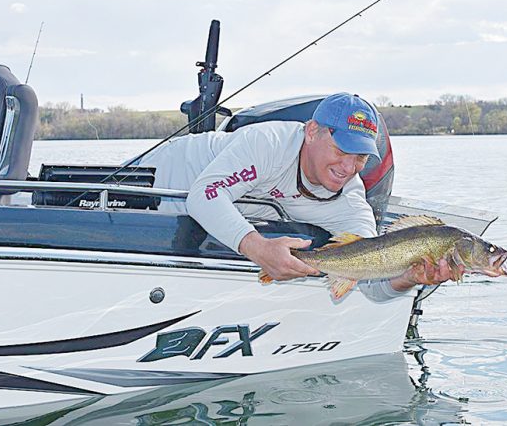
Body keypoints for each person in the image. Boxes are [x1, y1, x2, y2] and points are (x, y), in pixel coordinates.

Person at [138, 92, 462, 297]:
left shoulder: (350, 202)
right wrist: (259, 249)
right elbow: (203, 197)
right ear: (311, 132)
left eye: (361, 157)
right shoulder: (268, 144)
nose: (349, 167)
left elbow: (368, 285)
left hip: (209, 222)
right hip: (152, 180)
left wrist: (407, 279)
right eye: (341, 150)